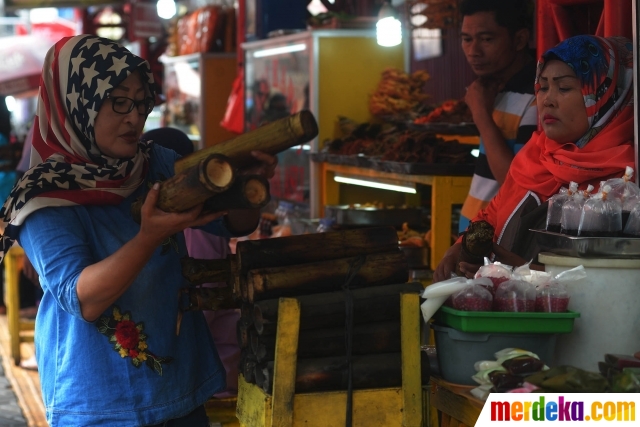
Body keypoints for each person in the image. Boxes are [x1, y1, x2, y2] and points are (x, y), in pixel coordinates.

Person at [0, 35, 277, 426]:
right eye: (118, 101)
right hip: (99, 402)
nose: (134, 116)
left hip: (182, 386)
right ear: (77, 103)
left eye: (141, 101)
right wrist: (147, 237)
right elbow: (83, 298)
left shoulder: (156, 165)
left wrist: (248, 190)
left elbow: (233, 224)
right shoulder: (43, 197)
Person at [434, 35, 635, 283]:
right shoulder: (533, 157)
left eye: (564, 88)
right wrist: (459, 246)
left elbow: (605, 282)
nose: (547, 100)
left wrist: (515, 270)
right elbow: (490, 217)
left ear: (606, 95)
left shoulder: (624, 183)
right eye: (543, 86)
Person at [142, 127, 240, 399]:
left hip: (209, 375)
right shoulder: (178, 220)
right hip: (195, 371)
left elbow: (199, 312)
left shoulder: (196, 227)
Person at [457, 0, 538, 233]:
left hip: (498, 244)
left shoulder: (536, 98)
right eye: (466, 39)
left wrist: (481, 115)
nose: (474, 51)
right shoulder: (494, 89)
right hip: (475, 239)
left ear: (520, 40)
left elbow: (516, 185)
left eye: (486, 39)